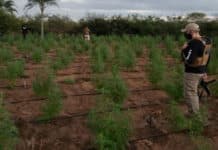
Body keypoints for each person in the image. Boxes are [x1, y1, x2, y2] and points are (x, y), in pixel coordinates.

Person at [181, 23, 212, 115]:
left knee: (190, 93)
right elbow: (207, 57)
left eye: (186, 32)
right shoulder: (206, 41)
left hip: (192, 73)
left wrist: (184, 50)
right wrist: (204, 71)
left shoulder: (194, 42)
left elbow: (189, 60)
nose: (185, 34)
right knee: (193, 92)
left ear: (191, 32)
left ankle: (194, 115)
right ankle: (194, 112)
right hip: (201, 71)